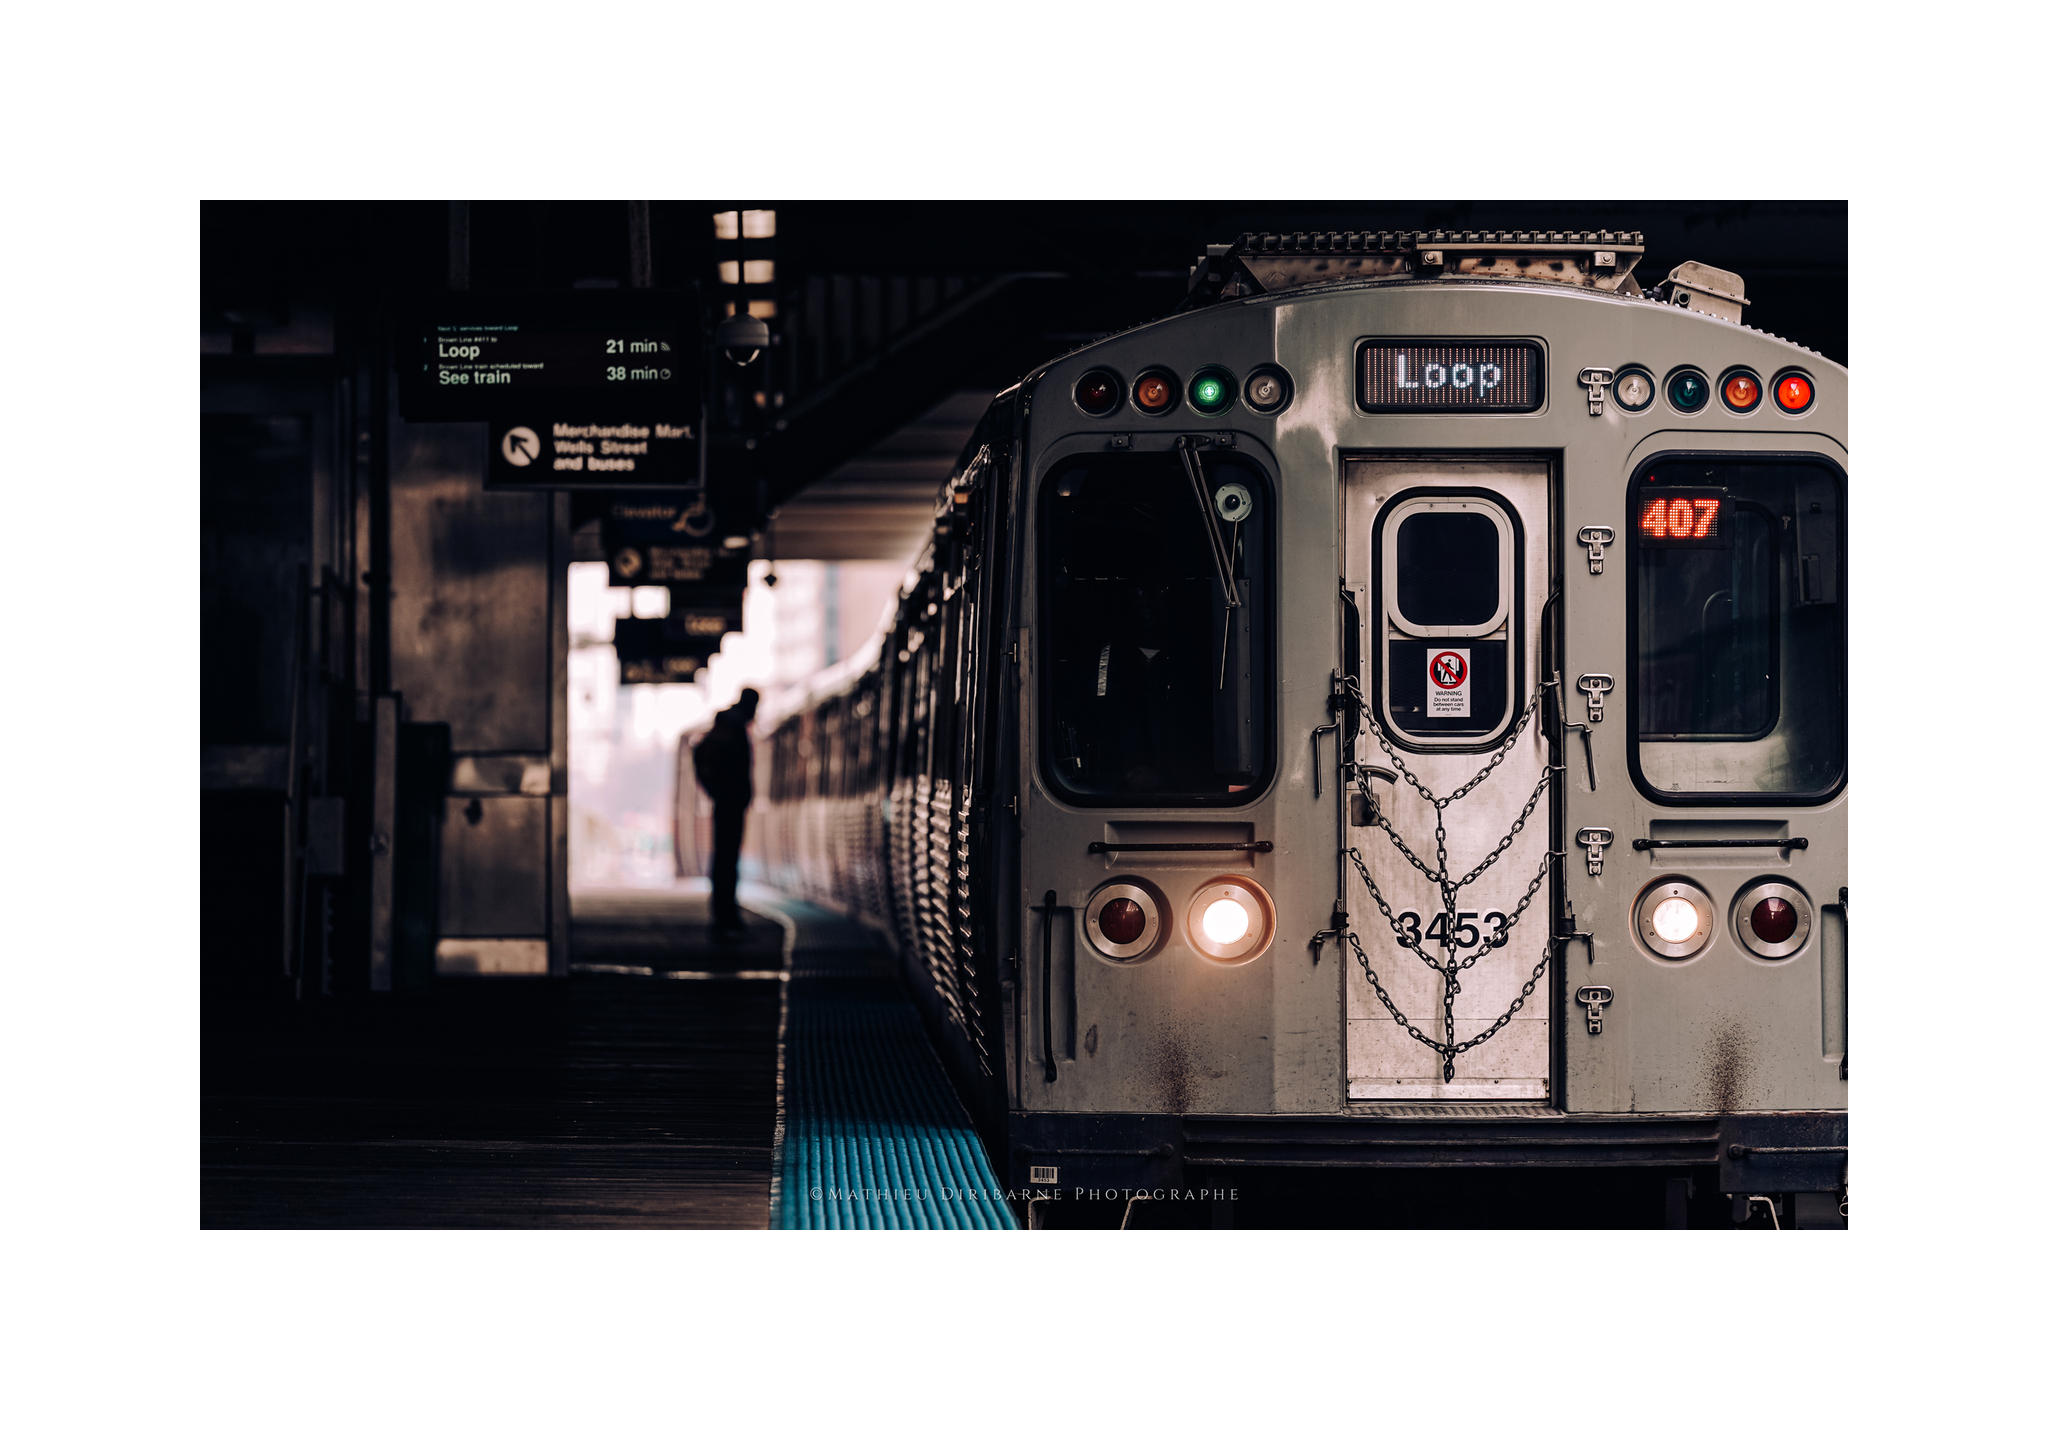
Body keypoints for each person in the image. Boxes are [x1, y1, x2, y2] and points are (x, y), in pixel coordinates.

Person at [691, 687, 760, 941]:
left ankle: (725, 913)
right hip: (729, 803)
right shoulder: (732, 729)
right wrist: (721, 792)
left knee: (725, 859)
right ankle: (725, 914)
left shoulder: (727, 726)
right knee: (727, 860)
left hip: (727, 801)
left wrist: (714, 790)